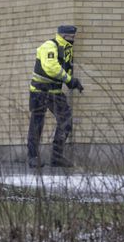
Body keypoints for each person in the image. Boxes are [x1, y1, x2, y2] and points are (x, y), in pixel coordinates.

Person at [27, 25, 84, 168]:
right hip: (39, 91)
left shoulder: (67, 50)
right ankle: (33, 157)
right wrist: (69, 80)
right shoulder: (49, 46)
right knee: (37, 124)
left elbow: (65, 69)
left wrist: (73, 82)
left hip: (55, 93)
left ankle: (57, 157)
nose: (73, 40)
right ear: (64, 36)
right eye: (71, 37)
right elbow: (51, 67)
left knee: (66, 120)